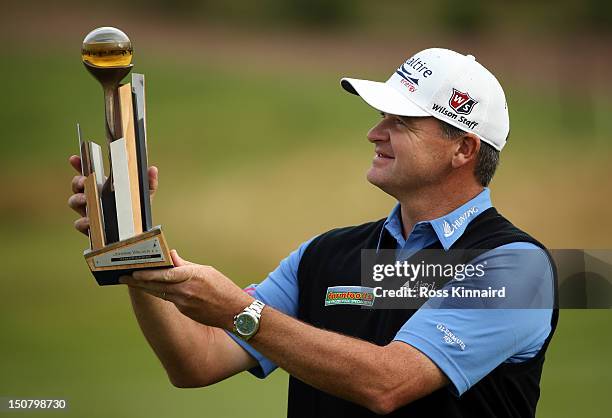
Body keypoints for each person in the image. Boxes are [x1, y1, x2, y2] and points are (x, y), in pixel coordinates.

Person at [68, 48, 557, 417]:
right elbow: (196, 362)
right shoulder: (325, 255)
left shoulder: (519, 269)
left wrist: (240, 311)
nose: (375, 132)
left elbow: (387, 383)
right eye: (380, 116)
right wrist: (133, 253)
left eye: (402, 121)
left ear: (464, 149)